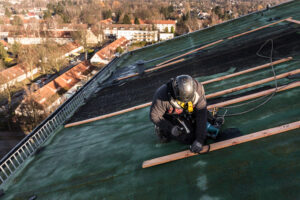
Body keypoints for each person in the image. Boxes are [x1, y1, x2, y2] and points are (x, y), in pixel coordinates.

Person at [150, 75, 219, 153]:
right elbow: (154, 115)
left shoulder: (198, 89)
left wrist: (200, 140)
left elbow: (201, 113)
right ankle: (162, 130)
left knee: (210, 120)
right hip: (172, 114)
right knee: (189, 138)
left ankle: (190, 121)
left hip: (188, 109)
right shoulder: (162, 96)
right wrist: (170, 128)